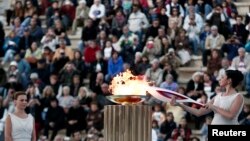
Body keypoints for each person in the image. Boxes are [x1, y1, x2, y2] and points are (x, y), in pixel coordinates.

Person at [170, 69, 245, 125]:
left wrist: (213, 107)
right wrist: (179, 104)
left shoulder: (238, 96)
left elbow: (230, 115)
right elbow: (198, 112)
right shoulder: (218, 96)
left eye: (222, 77)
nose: (219, 79)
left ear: (229, 81)